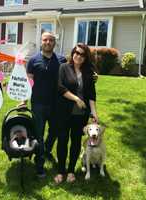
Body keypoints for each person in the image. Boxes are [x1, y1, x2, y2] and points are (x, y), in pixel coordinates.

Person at [54, 43, 98, 183]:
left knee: (76, 142)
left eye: (82, 54)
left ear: (86, 58)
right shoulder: (63, 67)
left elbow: (91, 95)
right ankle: (61, 171)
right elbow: (60, 87)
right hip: (63, 112)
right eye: (76, 53)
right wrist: (76, 99)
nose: (78, 56)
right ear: (73, 53)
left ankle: (71, 171)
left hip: (80, 115)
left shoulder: (88, 73)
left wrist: (94, 112)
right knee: (62, 141)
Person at [26, 32, 66, 177]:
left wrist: (91, 76)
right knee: (39, 135)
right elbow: (28, 82)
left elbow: (72, 75)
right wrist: (24, 99)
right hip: (38, 104)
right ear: (41, 42)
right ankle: (39, 164)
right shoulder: (33, 60)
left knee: (55, 131)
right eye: (45, 40)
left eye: (51, 40)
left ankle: (47, 149)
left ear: (55, 43)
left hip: (57, 104)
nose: (48, 42)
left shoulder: (62, 60)